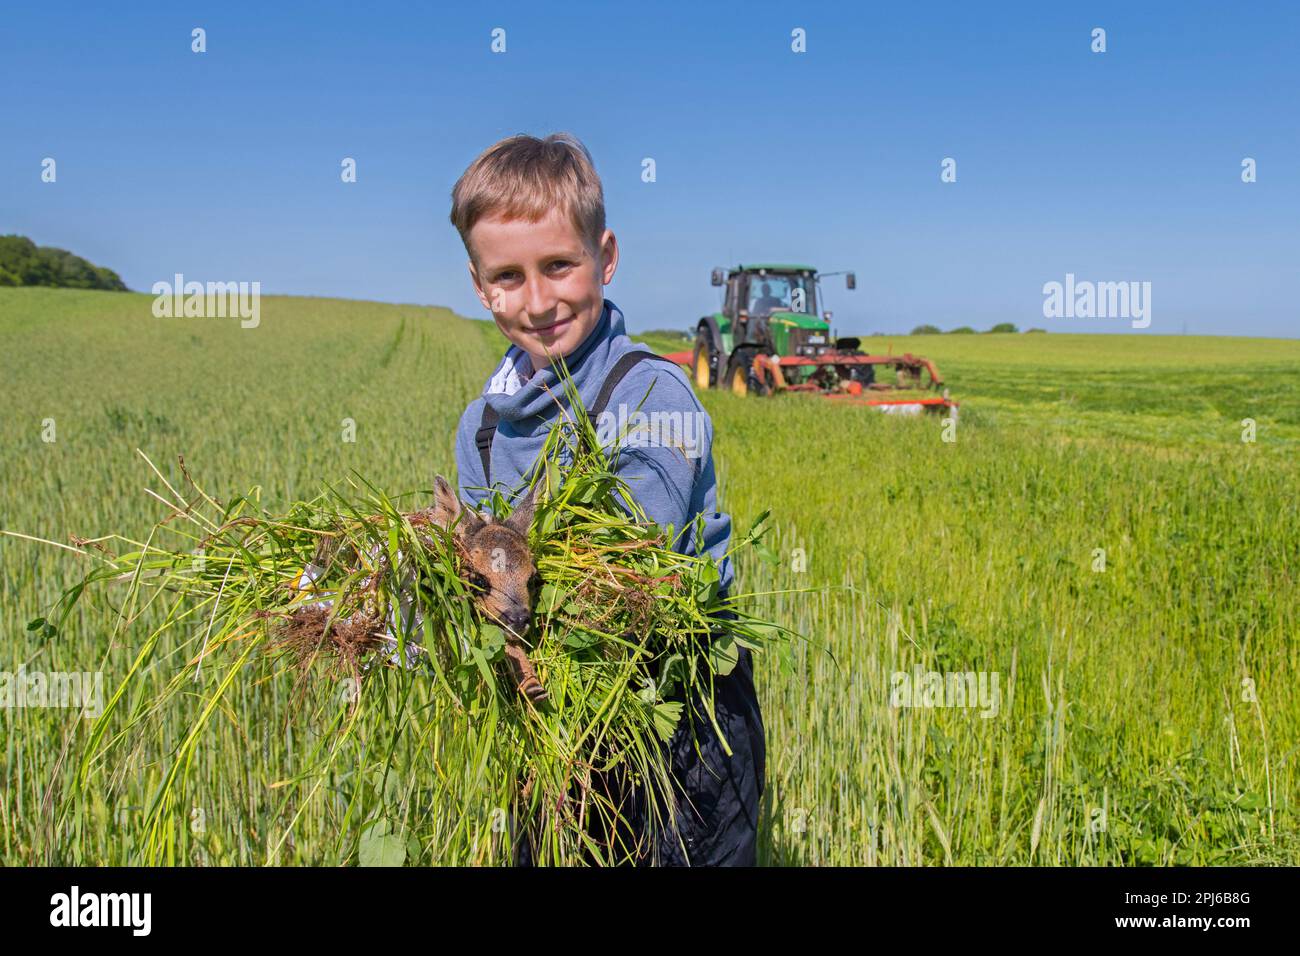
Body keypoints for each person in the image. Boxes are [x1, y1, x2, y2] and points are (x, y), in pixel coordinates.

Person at [446, 132, 765, 866]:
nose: (537, 300)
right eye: (508, 276)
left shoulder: (653, 394)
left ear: (606, 257)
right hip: (547, 710)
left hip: (679, 711)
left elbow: (623, 561)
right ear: (479, 285)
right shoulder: (484, 427)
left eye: (558, 265)